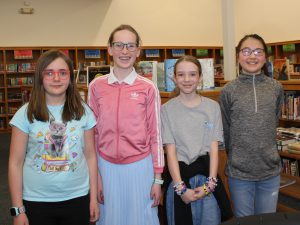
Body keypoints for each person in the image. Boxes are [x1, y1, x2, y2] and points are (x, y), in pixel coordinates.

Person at [8, 50, 99, 225]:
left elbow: (90, 156)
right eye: (49, 73)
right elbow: (15, 163)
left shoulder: (84, 112)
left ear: (71, 78)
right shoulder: (25, 114)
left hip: (77, 198)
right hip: (36, 201)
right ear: (40, 77)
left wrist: (93, 198)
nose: (56, 78)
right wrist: (17, 209)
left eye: (62, 73)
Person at [88, 24, 164, 225]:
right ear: (109, 49)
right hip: (105, 166)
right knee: (109, 219)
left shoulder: (148, 88)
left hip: (140, 166)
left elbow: (156, 134)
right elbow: (91, 135)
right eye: (119, 45)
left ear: (138, 51)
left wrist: (157, 179)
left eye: (131, 46)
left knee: (141, 219)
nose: (124, 51)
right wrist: (96, 177)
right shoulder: (96, 86)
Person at [161, 55, 232, 225]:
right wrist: (181, 189)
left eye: (192, 74)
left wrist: (210, 185)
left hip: (206, 177)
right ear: (174, 77)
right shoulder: (166, 110)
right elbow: (170, 152)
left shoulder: (212, 107)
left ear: (200, 77)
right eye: (181, 74)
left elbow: (214, 148)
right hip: (178, 178)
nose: (187, 79)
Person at [219, 34, 284, 217]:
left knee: (268, 220)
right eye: (246, 51)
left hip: (270, 171)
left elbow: (274, 120)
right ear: (238, 57)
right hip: (239, 174)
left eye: (258, 51)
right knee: (244, 220)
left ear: (265, 57)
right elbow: (226, 128)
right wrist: (236, 158)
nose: (252, 56)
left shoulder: (276, 88)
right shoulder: (228, 91)